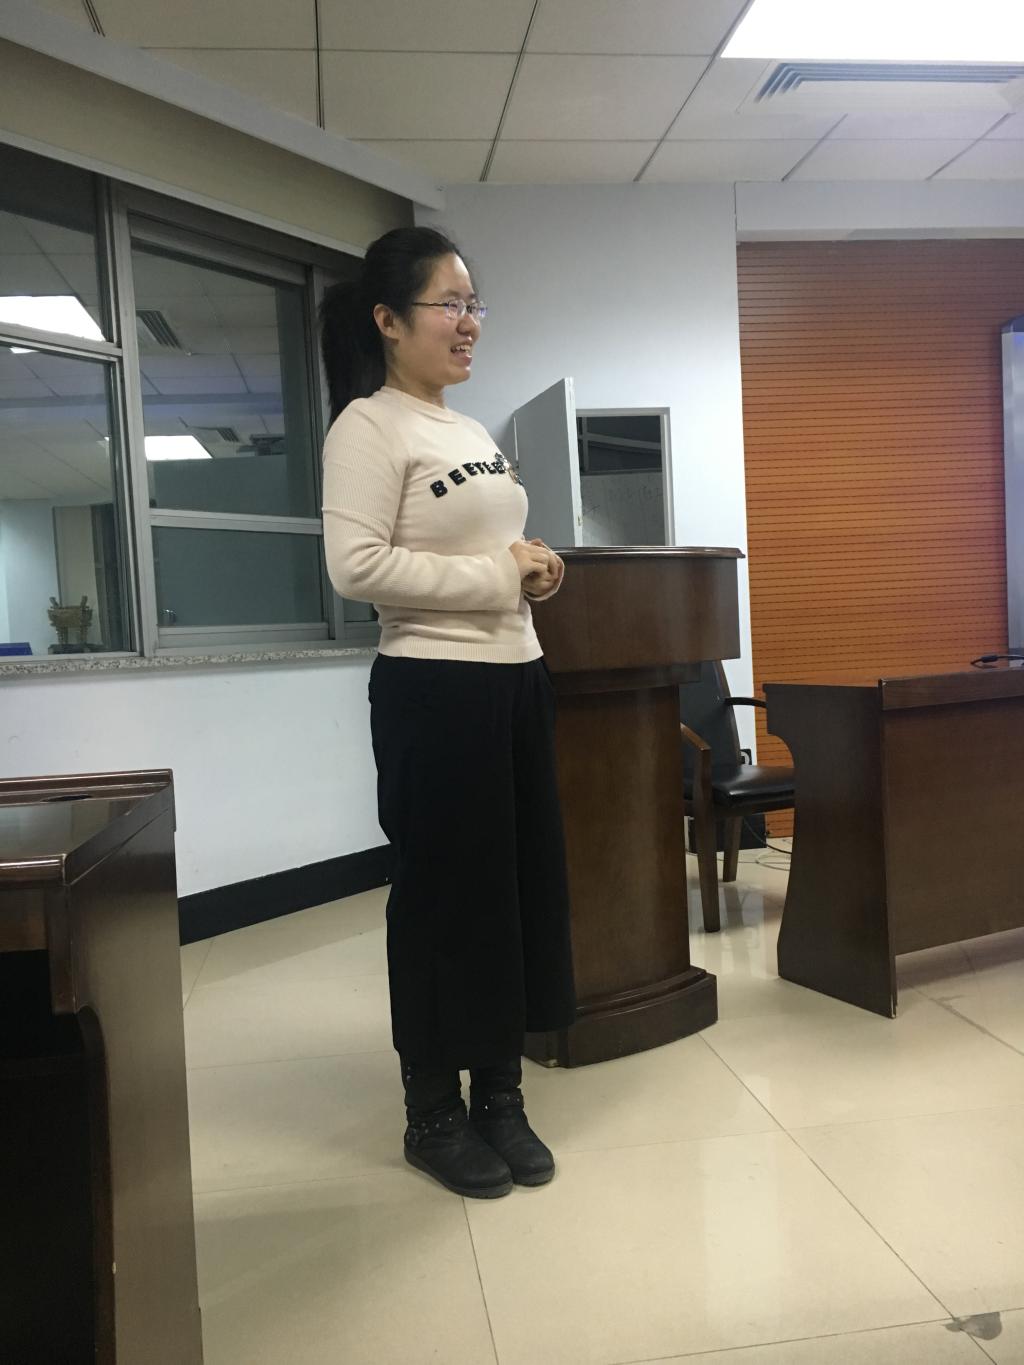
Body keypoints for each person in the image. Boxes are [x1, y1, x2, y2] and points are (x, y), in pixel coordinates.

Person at [320, 226, 576, 1199]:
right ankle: (432, 1111)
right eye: (450, 304)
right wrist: (495, 576)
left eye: (475, 305)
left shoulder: (469, 433)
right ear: (389, 321)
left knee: (512, 891)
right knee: (441, 901)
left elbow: (489, 549)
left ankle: (499, 1096)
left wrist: (537, 569)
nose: (469, 323)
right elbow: (355, 568)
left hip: (516, 679)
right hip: (433, 689)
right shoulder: (368, 427)